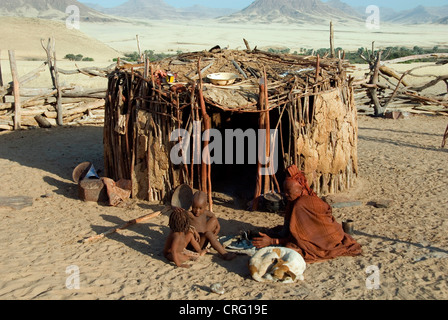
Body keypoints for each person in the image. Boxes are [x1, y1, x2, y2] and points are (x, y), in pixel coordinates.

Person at [252, 165, 362, 264]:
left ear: (300, 189)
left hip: (328, 240)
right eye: (284, 191)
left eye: (289, 191)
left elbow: (298, 239)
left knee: (291, 249)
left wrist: (272, 241)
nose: (285, 195)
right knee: (278, 234)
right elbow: (291, 230)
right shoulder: (295, 201)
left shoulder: (301, 204)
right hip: (324, 233)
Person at [185, 191, 237, 261]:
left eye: (200, 208)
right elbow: (181, 217)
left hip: (203, 238)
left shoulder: (205, 212)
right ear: (191, 205)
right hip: (196, 245)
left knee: (214, 220)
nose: (197, 211)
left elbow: (213, 216)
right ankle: (225, 255)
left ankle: (213, 241)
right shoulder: (190, 214)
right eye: (194, 207)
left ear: (206, 206)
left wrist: (218, 226)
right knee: (208, 234)